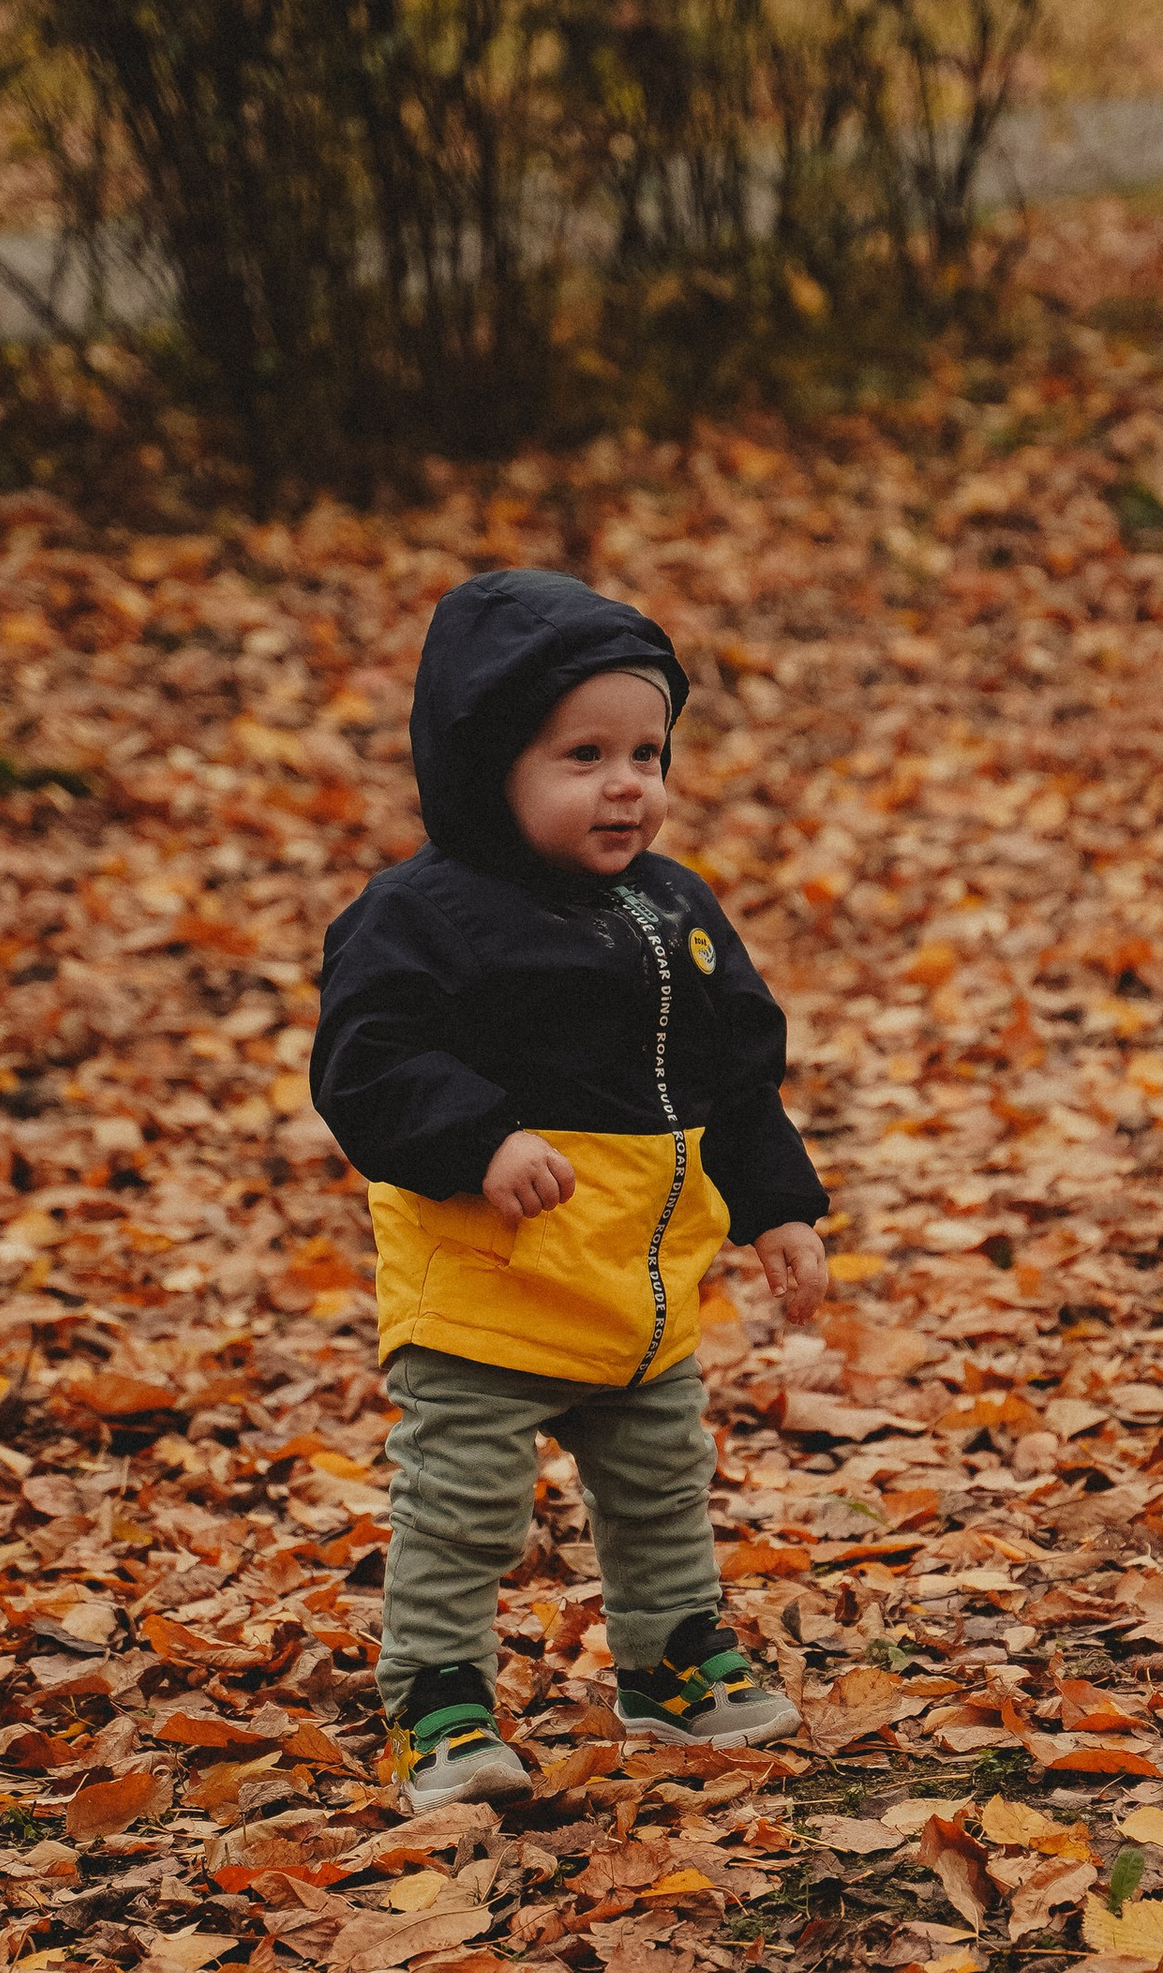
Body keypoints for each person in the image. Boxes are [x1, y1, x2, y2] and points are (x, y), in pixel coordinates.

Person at [311, 568, 831, 1804]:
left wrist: (781, 1209)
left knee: (660, 1485)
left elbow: (738, 1081)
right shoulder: (422, 915)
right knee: (469, 1504)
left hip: (638, 1296)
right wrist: (481, 1142)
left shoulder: (676, 909)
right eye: (582, 753)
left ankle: (670, 1662)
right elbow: (367, 1062)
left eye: (647, 751)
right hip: (491, 1287)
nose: (626, 784)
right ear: (490, 763)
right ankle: (435, 1698)